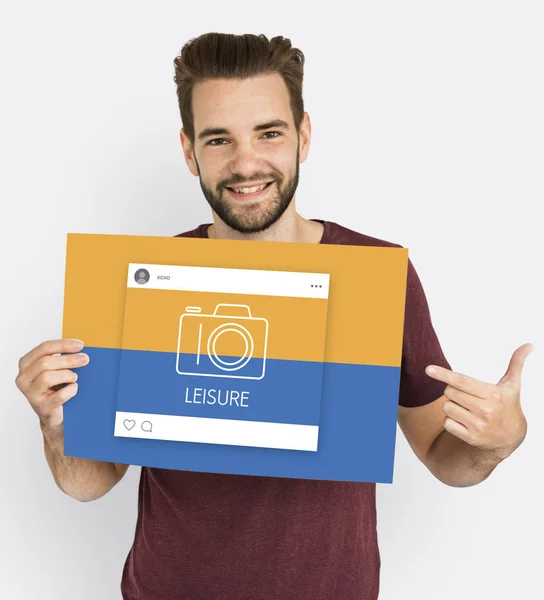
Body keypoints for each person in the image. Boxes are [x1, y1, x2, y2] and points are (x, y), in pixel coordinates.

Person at [15, 32, 532, 600]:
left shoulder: (378, 275)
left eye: (268, 132)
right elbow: (89, 483)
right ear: (189, 152)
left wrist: (498, 439)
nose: (245, 163)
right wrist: (55, 425)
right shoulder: (140, 279)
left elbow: (444, 457)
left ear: (302, 135)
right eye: (219, 140)